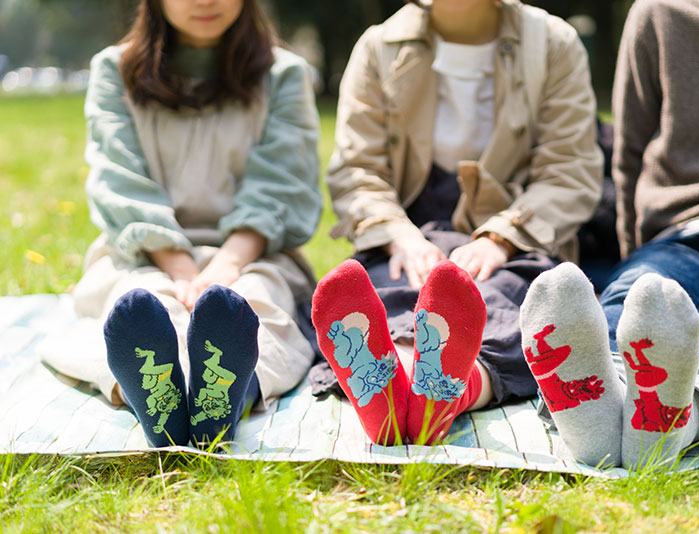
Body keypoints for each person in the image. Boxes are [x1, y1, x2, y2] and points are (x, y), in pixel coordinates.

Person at [519, 0, 699, 469]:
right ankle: (602, 406)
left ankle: (680, 419)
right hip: (677, 225)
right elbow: (628, 149)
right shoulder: (658, 11)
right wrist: (634, 247)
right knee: (638, 292)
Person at [309, 0, 603, 446]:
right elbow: (357, 170)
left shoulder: (553, 43)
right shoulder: (378, 48)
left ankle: (444, 393)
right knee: (386, 292)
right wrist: (398, 234)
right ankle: (400, 390)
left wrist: (502, 237)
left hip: (518, 238)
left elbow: (570, 169)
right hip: (408, 232)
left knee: (514, 305)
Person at [39, 0, 321, 447]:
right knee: (140, 306)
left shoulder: (284, 73)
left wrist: (225, 266)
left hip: (253, 250)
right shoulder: (115, 70)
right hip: (142, 248)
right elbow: (120, 178)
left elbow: (281, 181)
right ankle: (159, 400)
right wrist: (181, 269)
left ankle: (222, 402)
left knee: (254, 307)